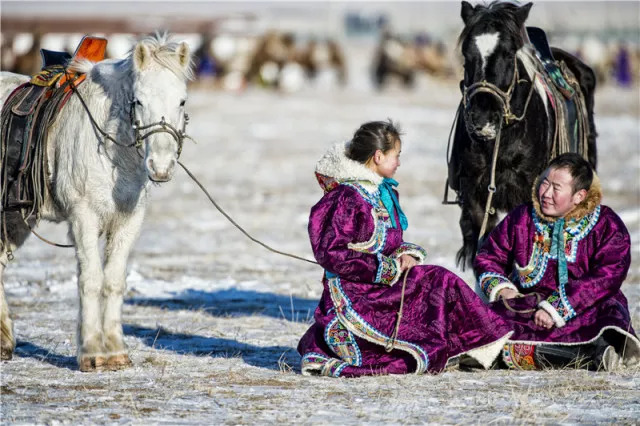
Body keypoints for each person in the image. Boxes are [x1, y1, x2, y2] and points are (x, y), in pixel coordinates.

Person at [297, 120, 513, 377]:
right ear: (378, 157)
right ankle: (475, 345)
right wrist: (386, 267)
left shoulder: (382, 191)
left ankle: (486, 342)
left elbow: (389, 241)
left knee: (439, 279)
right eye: (395, 156)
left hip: (383, 283)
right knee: (435, 284)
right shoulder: (345, 198)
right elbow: (331, 253)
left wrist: (403, 254)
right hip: (356, 294)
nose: (399, 162)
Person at [474, 153, 640, 371]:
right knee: (478, 328)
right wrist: (503, 290)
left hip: (587, 305)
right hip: (529, 306)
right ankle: (589, 355)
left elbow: (608, 275)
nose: (546, 194)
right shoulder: (522, 217)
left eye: (556, 188)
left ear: (579, 196)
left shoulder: (606, 225)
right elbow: (489, 256)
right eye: (544, 183)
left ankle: (597, 352)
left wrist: (557, 308)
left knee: (604, 318)